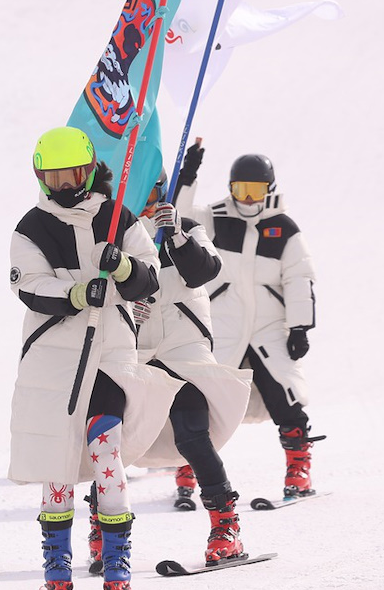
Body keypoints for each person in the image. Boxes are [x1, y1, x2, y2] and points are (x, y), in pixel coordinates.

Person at [9, 126, 170, 590]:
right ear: (41, 176)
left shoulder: (117, 217)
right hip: (55, 359)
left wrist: (121, 268)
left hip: (109, 357)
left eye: (72, 174)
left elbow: (151, 278)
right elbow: (28, 286)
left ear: (88, 171)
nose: (64, 185)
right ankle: (57, 568)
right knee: (57, 461)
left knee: (106, 449)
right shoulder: (32, 227)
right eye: (54, 177)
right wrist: (75, 294)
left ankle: (117, 565)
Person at [131, 147, 254, 564]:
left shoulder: (185, 228)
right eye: (139, 195)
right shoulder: (119, 236)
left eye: (153, 194)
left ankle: (225, 527)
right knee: (113, 438)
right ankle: (105, 534)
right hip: (139, 351)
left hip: (184, 350)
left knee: (193, 435)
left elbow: (205, 271)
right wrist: (127, 309)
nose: (147, 204)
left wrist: (177, 237)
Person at [202, 151, 321, 499]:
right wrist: (188, 176)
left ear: (269, 189)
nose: (248, 200)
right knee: (202, 399)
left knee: (285, 394)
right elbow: (177, 217)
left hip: (268, 330)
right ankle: (188, 468)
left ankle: (298, 467)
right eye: (241, 190)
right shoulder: (215, 219)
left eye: (256, 191)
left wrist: (299, 328)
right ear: (230, 189)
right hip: (224, 327)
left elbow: (299, 278)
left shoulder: (285, 229)